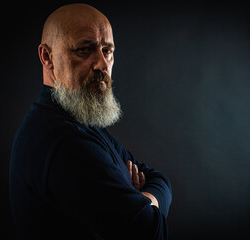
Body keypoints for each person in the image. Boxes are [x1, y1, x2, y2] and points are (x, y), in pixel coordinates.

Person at [9, 3, 172, 240]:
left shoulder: (80, 124)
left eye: (107, 50)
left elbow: (158, 179)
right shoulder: (64, 142)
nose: (102, 65)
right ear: (47, 57)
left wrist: (146, 201)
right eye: (85, 50)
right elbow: (150, 232)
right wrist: (144, 203)